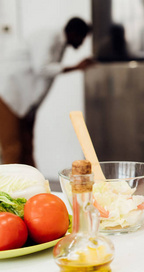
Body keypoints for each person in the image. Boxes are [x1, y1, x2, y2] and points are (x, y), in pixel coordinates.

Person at [0, 17, 94, 166]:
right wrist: (76, 67)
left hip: (25, 104)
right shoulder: (49, 36)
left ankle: (33, 187)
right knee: (12, 148)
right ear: (74, 33)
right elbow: (42, 68)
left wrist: (33, 108)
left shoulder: (60, 44)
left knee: (27, 147)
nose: (82, 43)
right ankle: (10, 189)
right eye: (82, 38)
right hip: (9, 96)